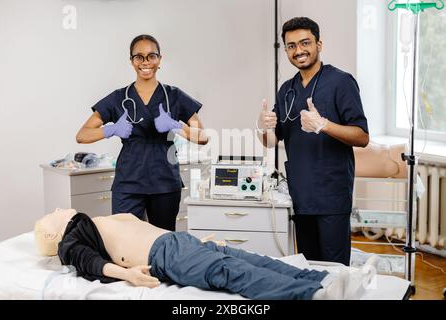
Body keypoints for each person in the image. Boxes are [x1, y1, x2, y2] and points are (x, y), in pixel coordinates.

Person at [34, 209, 378, 300]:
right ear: (52, 232)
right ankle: (313, 294)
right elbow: (88, 262)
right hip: (165, 255)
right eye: (50, 213)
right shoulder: (71, 240)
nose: (56, 207)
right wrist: (128, 275)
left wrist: (194, 238)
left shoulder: (94, 221)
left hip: (181, 243)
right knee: (232, 273)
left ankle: (328, 278)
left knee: (255, 260)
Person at [257, 17, 369, 266]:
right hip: (301, 194)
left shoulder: (341, 82)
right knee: (309, 269)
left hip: (331, 194)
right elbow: (272, 140)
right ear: (285, 49)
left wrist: (324, 125)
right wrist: (262, 127)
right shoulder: (286, 89)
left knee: (335, 269)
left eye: (305, 42)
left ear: (319, 44)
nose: (299, 50)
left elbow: (362, 136)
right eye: (291, 45)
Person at [75, 34, 208, 231]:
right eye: (139, 57)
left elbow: (203, 137)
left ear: (159, 60)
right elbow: (82, 135)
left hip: (164, 183)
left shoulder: (174, 95)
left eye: (151, 56)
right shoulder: (119, 97)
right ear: (131, 61)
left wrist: (176, 126)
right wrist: (111, 129)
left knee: (162, 244)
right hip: (128, 182)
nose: (145, 62)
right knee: (124, 241)